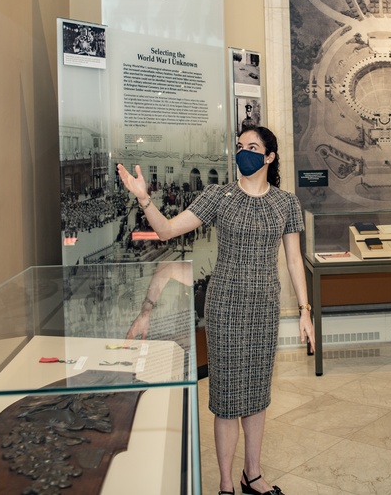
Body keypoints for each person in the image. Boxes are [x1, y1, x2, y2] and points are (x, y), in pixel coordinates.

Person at [117, 125, 314, 495]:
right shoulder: (218, 196)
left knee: (256, 395)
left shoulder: (286, 202)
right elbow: (168, 231)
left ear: (269, 157)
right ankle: (226, 484)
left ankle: (251, 475)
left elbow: (292, 261)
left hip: (264, 309)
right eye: (240, 147)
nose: (244, 153)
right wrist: (144, 199)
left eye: (253, 147)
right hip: (225, 308)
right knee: (225, 399)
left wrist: (305, 310)